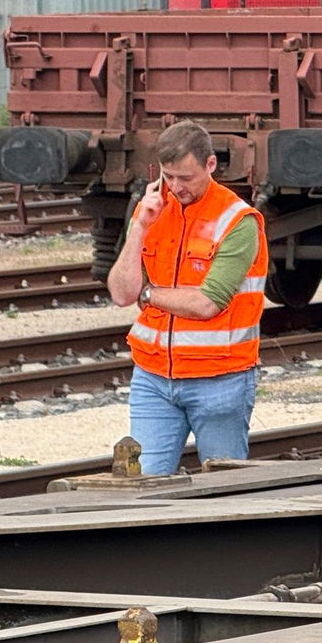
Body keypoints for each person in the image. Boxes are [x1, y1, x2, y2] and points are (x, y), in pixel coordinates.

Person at [106, 121, 267, 475]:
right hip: (153, 377)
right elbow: (120, 292)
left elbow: (208, 303)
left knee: (226, 492)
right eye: (168, 177)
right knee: (142, 487)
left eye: (186, 178)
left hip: (220, 380)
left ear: (211, 165)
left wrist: (147, 294)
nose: (176, 188)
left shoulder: (237, 221)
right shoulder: (152, 210)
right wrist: (140, 228)